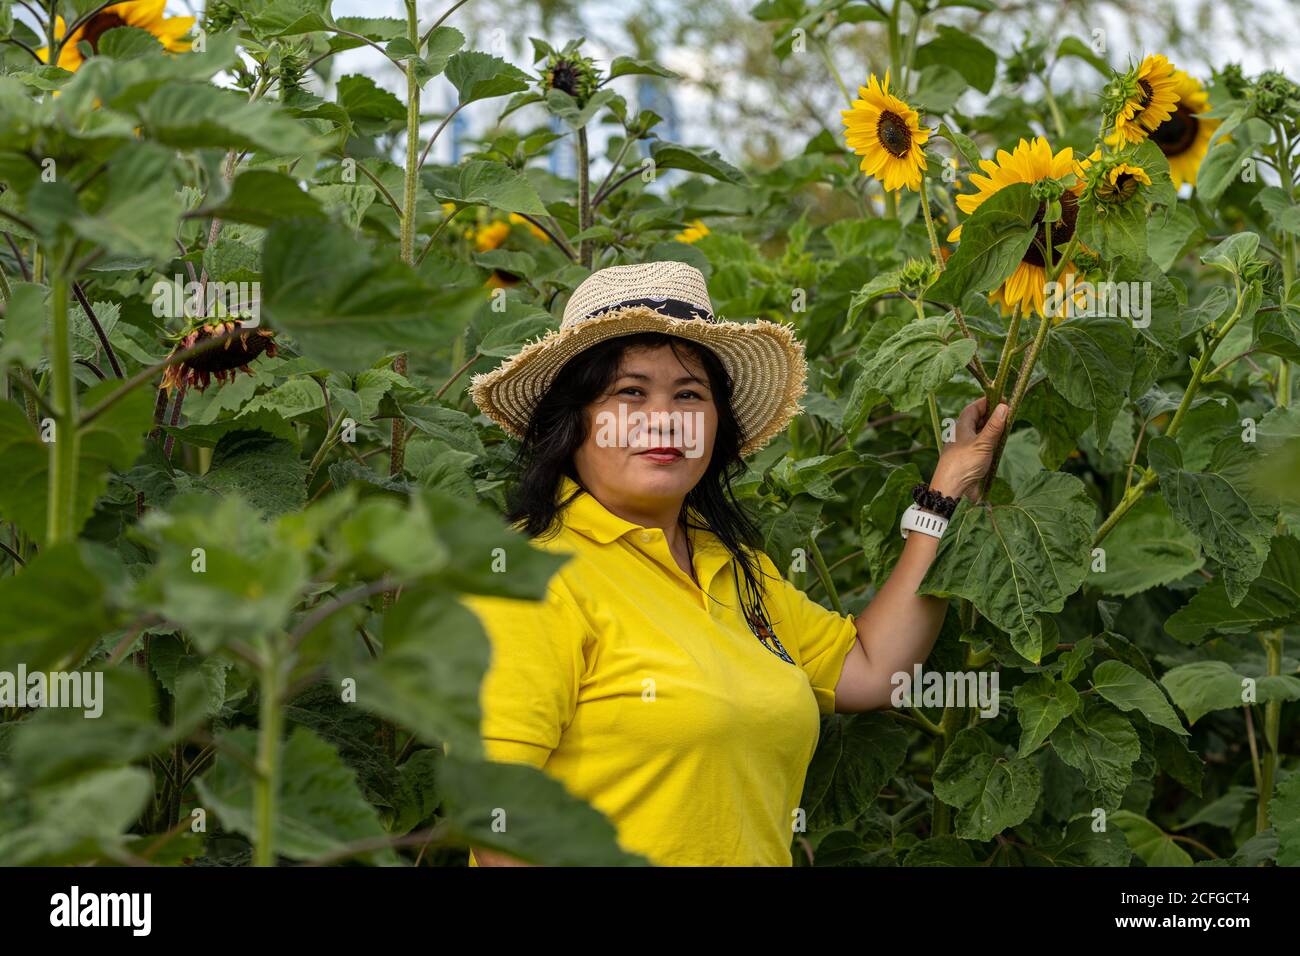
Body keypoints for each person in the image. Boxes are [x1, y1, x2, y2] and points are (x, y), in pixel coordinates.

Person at [460, 260, 1008, 866]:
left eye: (689, 395)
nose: (663, 418)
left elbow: (873, 670)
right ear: (574, 420)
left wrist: (947, 494)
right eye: (629, 392)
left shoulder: (733, 565)